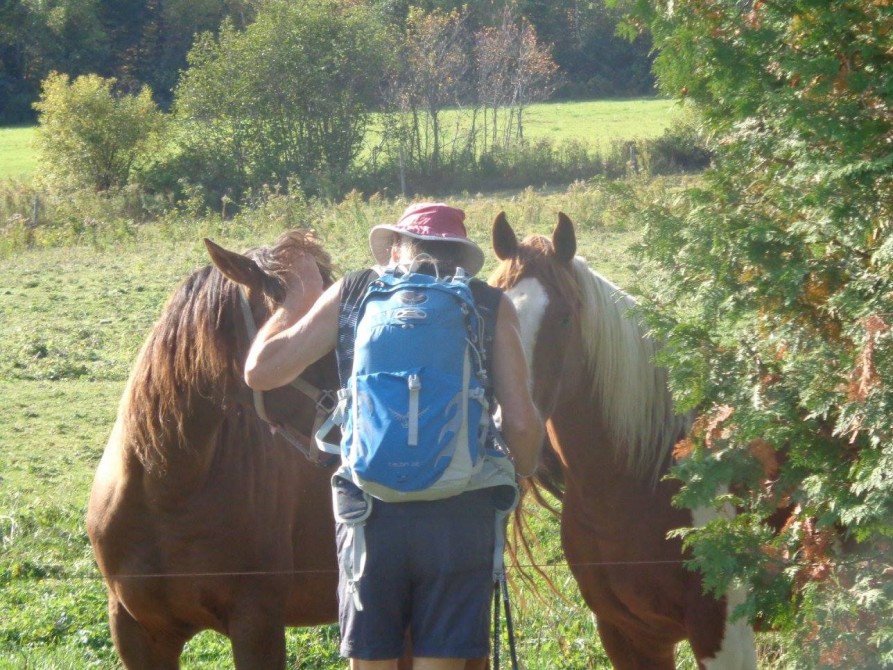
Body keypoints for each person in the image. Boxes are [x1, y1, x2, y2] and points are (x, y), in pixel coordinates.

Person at [244, 202, 544, 670]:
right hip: (460, 509)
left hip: (370, 512)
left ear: (396, 248)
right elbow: (522, 423)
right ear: (460, 255)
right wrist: (518, 472)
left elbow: (260, 372)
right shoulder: (488, 303)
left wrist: (295, 300)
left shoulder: (354, 292)